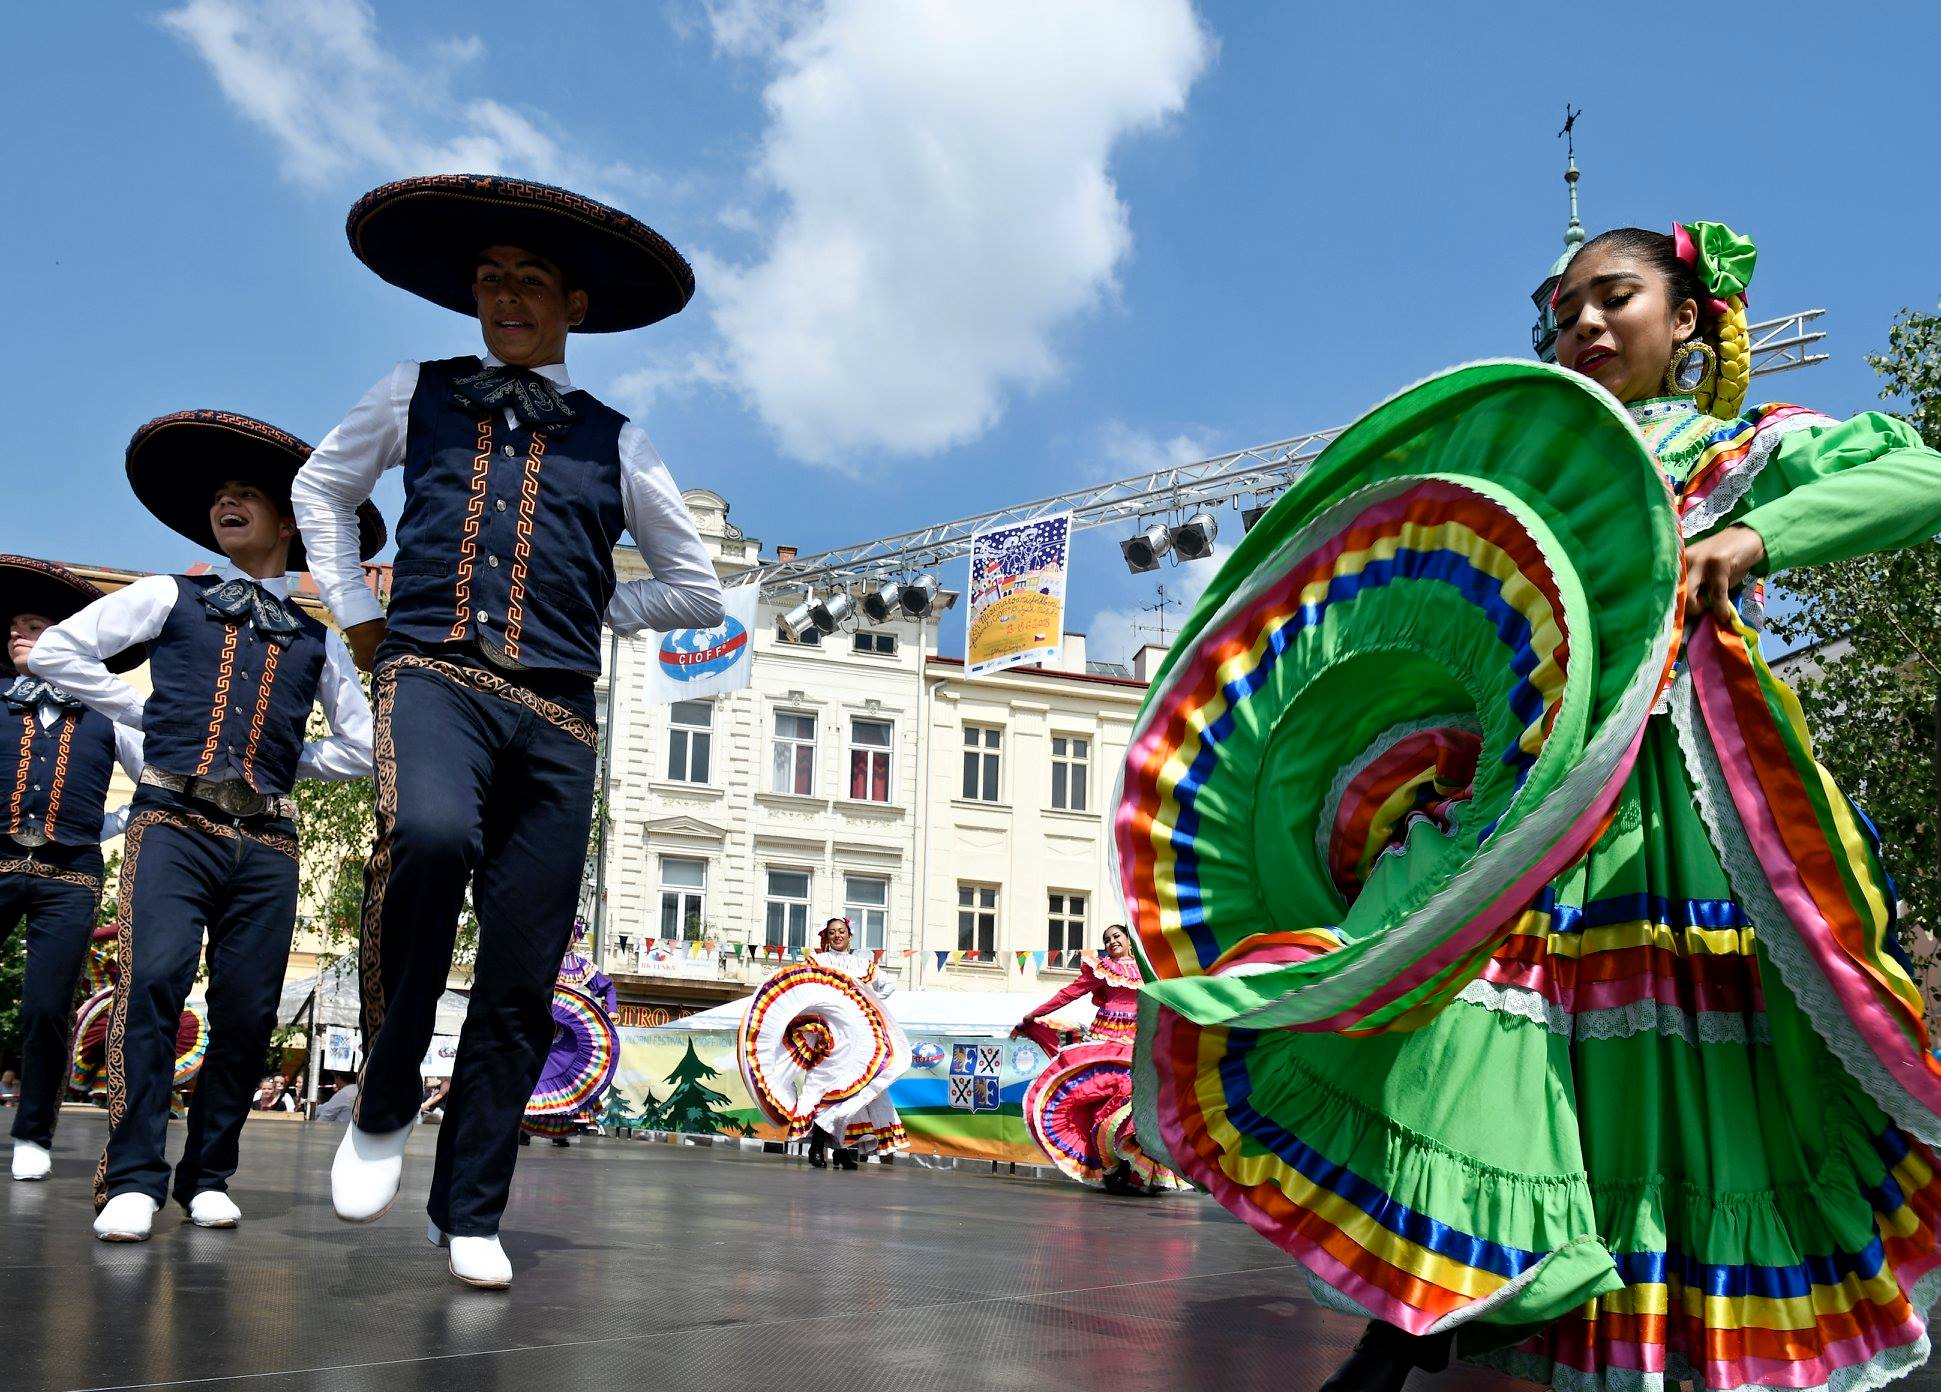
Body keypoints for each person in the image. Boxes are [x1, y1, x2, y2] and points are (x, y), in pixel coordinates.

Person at [1119, 222, 1941, 1392]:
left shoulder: (1746, 448)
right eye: (1563, 315)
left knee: (1673, 1073)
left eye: (1615, 300)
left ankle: (1632, 1334)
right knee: (1449, 1020)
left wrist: (1758, 534)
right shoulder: (1533, 471)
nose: (1586, 327)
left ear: (1690, 321)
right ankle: (1437, 1299)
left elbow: (1923, 475)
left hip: (1680, 806)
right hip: (1524, 806)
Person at [293, 174, 723, 1291]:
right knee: (425, 838)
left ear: (575, 305)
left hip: (557, 719)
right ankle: (384, 1098)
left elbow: (695, 589)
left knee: (525, 970)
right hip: (429, 670)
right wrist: (359, 618)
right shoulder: (412, 388)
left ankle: (469, 1203)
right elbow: (319, 491)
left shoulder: (620, 443)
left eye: (531, 281)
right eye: (491, 280)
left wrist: (594, 614)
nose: (507, 297)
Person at [30, 410, 379, 1242]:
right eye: (219, 494)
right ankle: (134, 1178)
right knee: (151, 982)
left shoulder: (317, 640)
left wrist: (284, 759)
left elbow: (365, 747)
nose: (226, 502)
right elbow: (55, 654)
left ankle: (209, 1172)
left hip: (268, 841)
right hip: (172, 820)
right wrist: (147, 713)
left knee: (251, 1008)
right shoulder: (166, 594)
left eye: (245, 493)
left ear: (289, 521)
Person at [2, 557, 146, 1182]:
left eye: (32, 627)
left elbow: (152, 786)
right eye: (12, 628)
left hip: (70, 876)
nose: (17, 636)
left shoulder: (109, 712)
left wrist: (104, 828)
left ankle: (33, 1132)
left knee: (45, 1007)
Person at [1011, 925, 1169, 1195]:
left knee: (1139, 1103)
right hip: (1106, 1041)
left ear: (1130, 941)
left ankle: (1139, 1169)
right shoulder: (1102, 968)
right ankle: (1112, 1166)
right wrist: (1035, 1014)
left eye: (1116, 936)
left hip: (1138, 1042)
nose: (1111, 942)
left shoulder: (1149, 970)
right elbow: (1069, 994)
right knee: (1103, 1098)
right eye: (1107, 939)